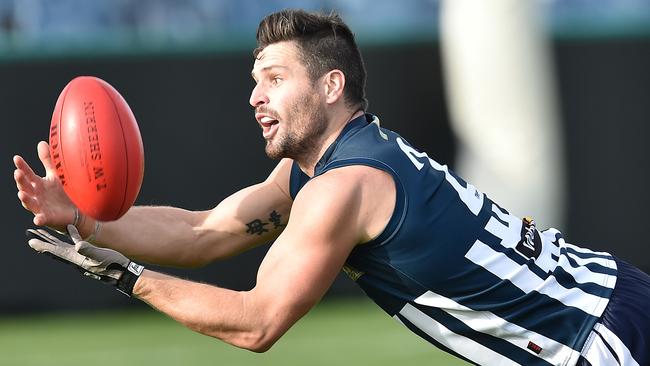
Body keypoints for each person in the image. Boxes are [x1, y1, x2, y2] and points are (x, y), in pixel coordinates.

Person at [13, 9, 649, 366]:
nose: (256, 98)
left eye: (274, 79)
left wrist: (128, 277)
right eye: (254, 81)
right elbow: (204, 232)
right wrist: (87, 222)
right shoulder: (316, 172)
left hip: (595, 338)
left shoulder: (343, 189)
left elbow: (257, 324)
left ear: (331, 86)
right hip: (614, 295)